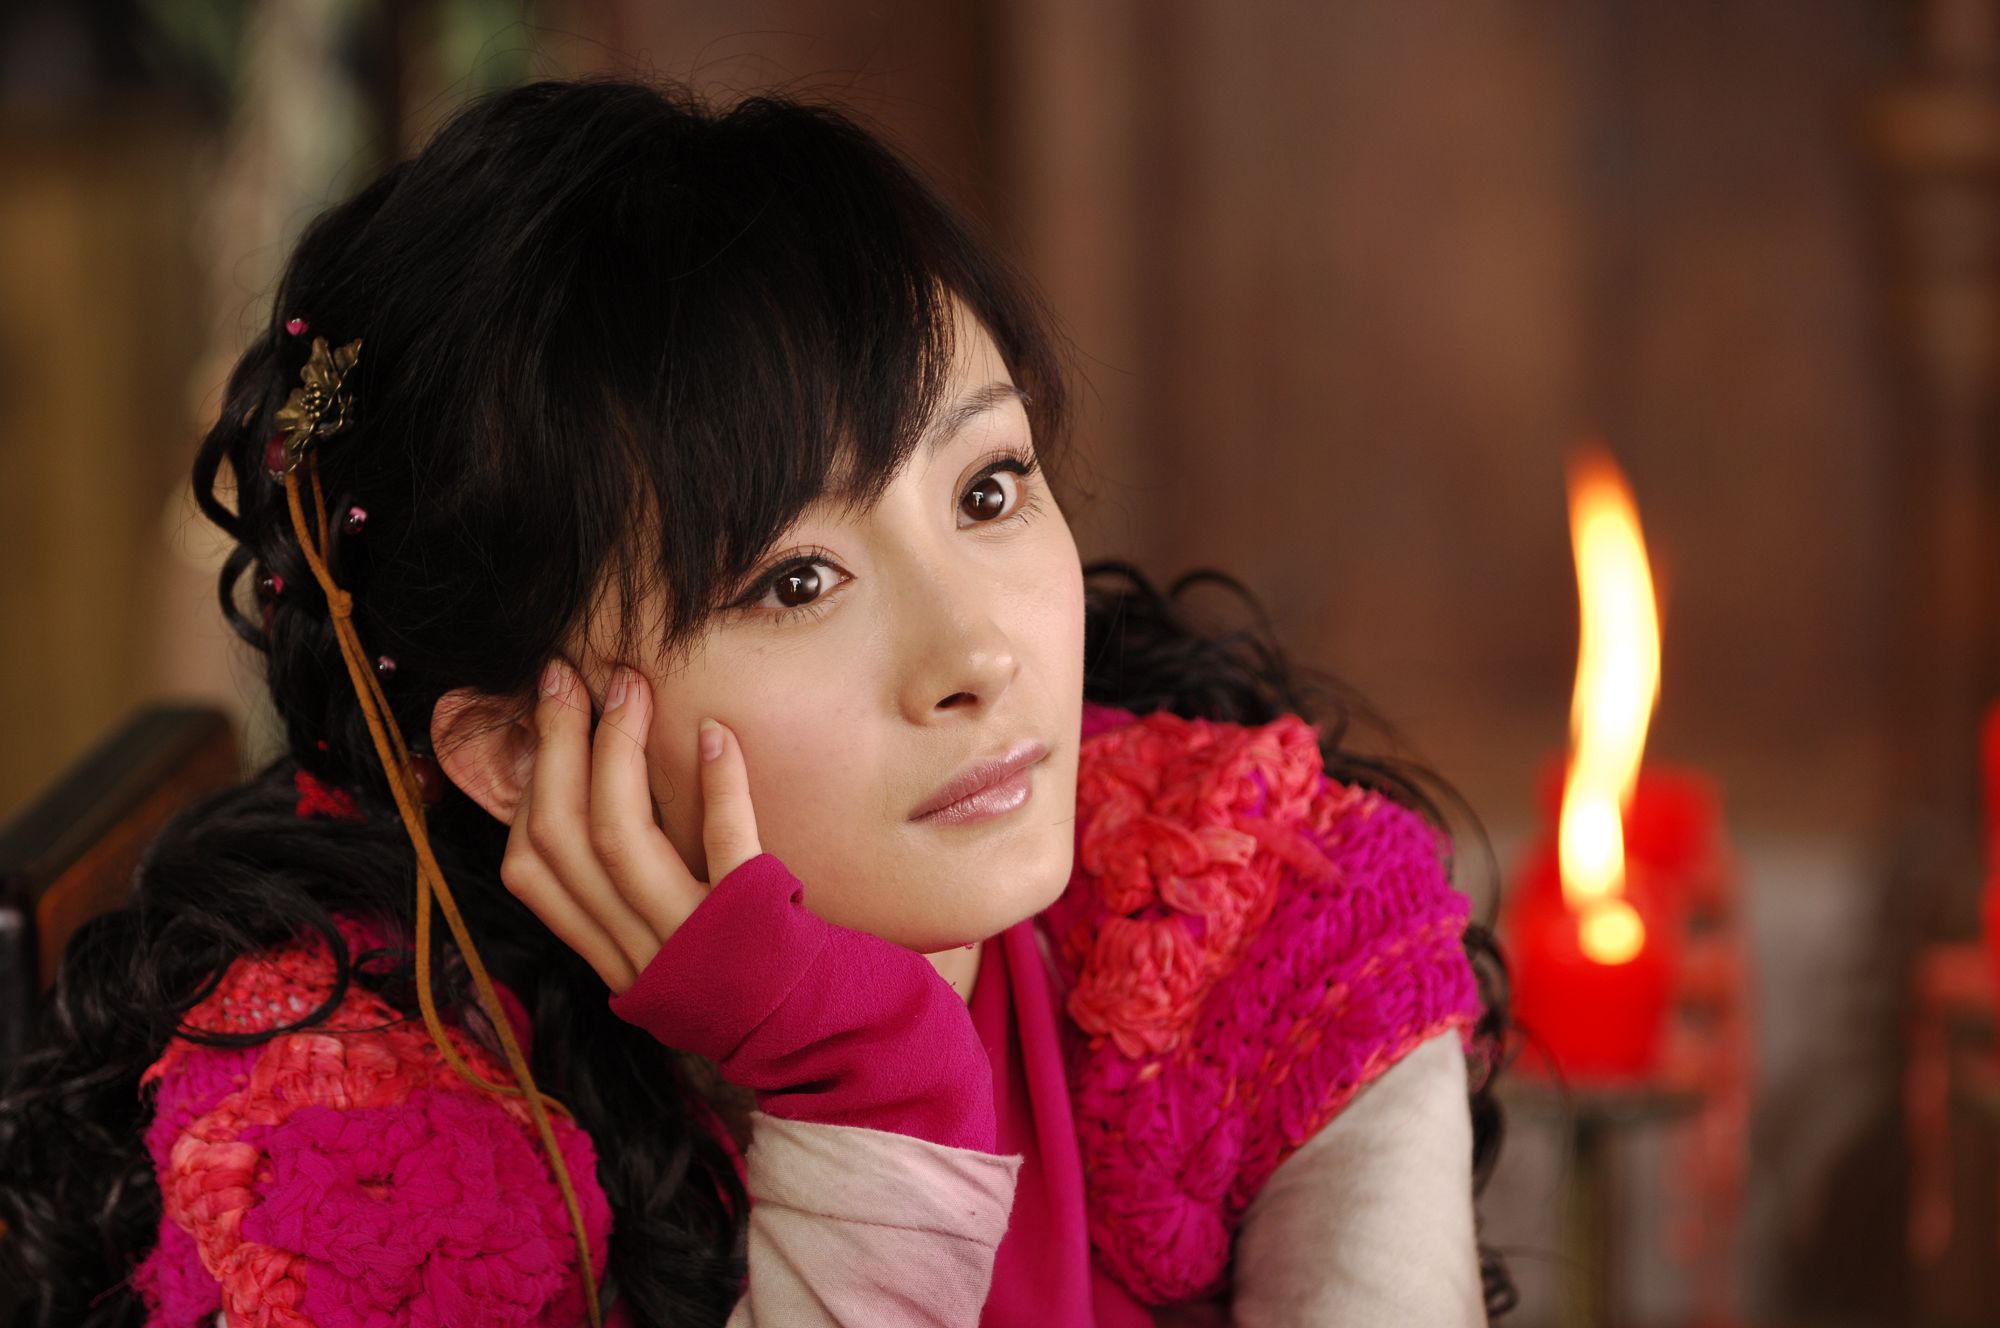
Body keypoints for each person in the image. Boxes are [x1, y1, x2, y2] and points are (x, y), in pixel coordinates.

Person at [0, 75, 1515, 1326]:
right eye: (794, 581)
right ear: (521, 750)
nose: (978, 657)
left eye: (989, 488)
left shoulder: (1236, 915)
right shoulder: (362, 1154)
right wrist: (870, 1095)